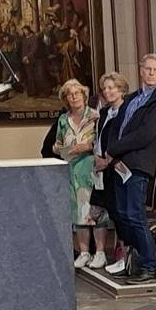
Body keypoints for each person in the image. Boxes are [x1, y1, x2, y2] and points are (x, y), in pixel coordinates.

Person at [100, 53, 156, 281]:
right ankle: (134, 261)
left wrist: (114, 150)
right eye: (148, 69)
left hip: (138, 164)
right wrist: (111, 152)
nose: (151, 73)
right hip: (119, 164)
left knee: (135, 215)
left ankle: (150, 265)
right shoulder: (132, 98)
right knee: (122, 215)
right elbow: (116, 127)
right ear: (141, 70)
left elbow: (145, 135)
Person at [48, 79, 105, 267]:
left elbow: (103, 141)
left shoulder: (95, 116)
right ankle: (84, 252)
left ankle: (100, 252)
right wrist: (61, 148)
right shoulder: (63, 120)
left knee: (95, 211)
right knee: (78, 212)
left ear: (84, 95)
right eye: (69, 95)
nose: (74, 97)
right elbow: (56, 144)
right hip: (72, 169)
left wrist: (86, 146)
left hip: (91, 169)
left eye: (77, 93)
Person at [91, 71, 131, 270]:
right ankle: (115, 254)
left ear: (121, 89)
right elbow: (100, 138)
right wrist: (97, 157)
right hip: (103, 167)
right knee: (109, 212)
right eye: (105, 88)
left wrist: (107, 160)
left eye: (111, 87)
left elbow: (124, 141)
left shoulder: (127, 111)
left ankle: (126, 256)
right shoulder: (105, 112)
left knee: (121, 212)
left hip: (118, 167)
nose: (107, 91)